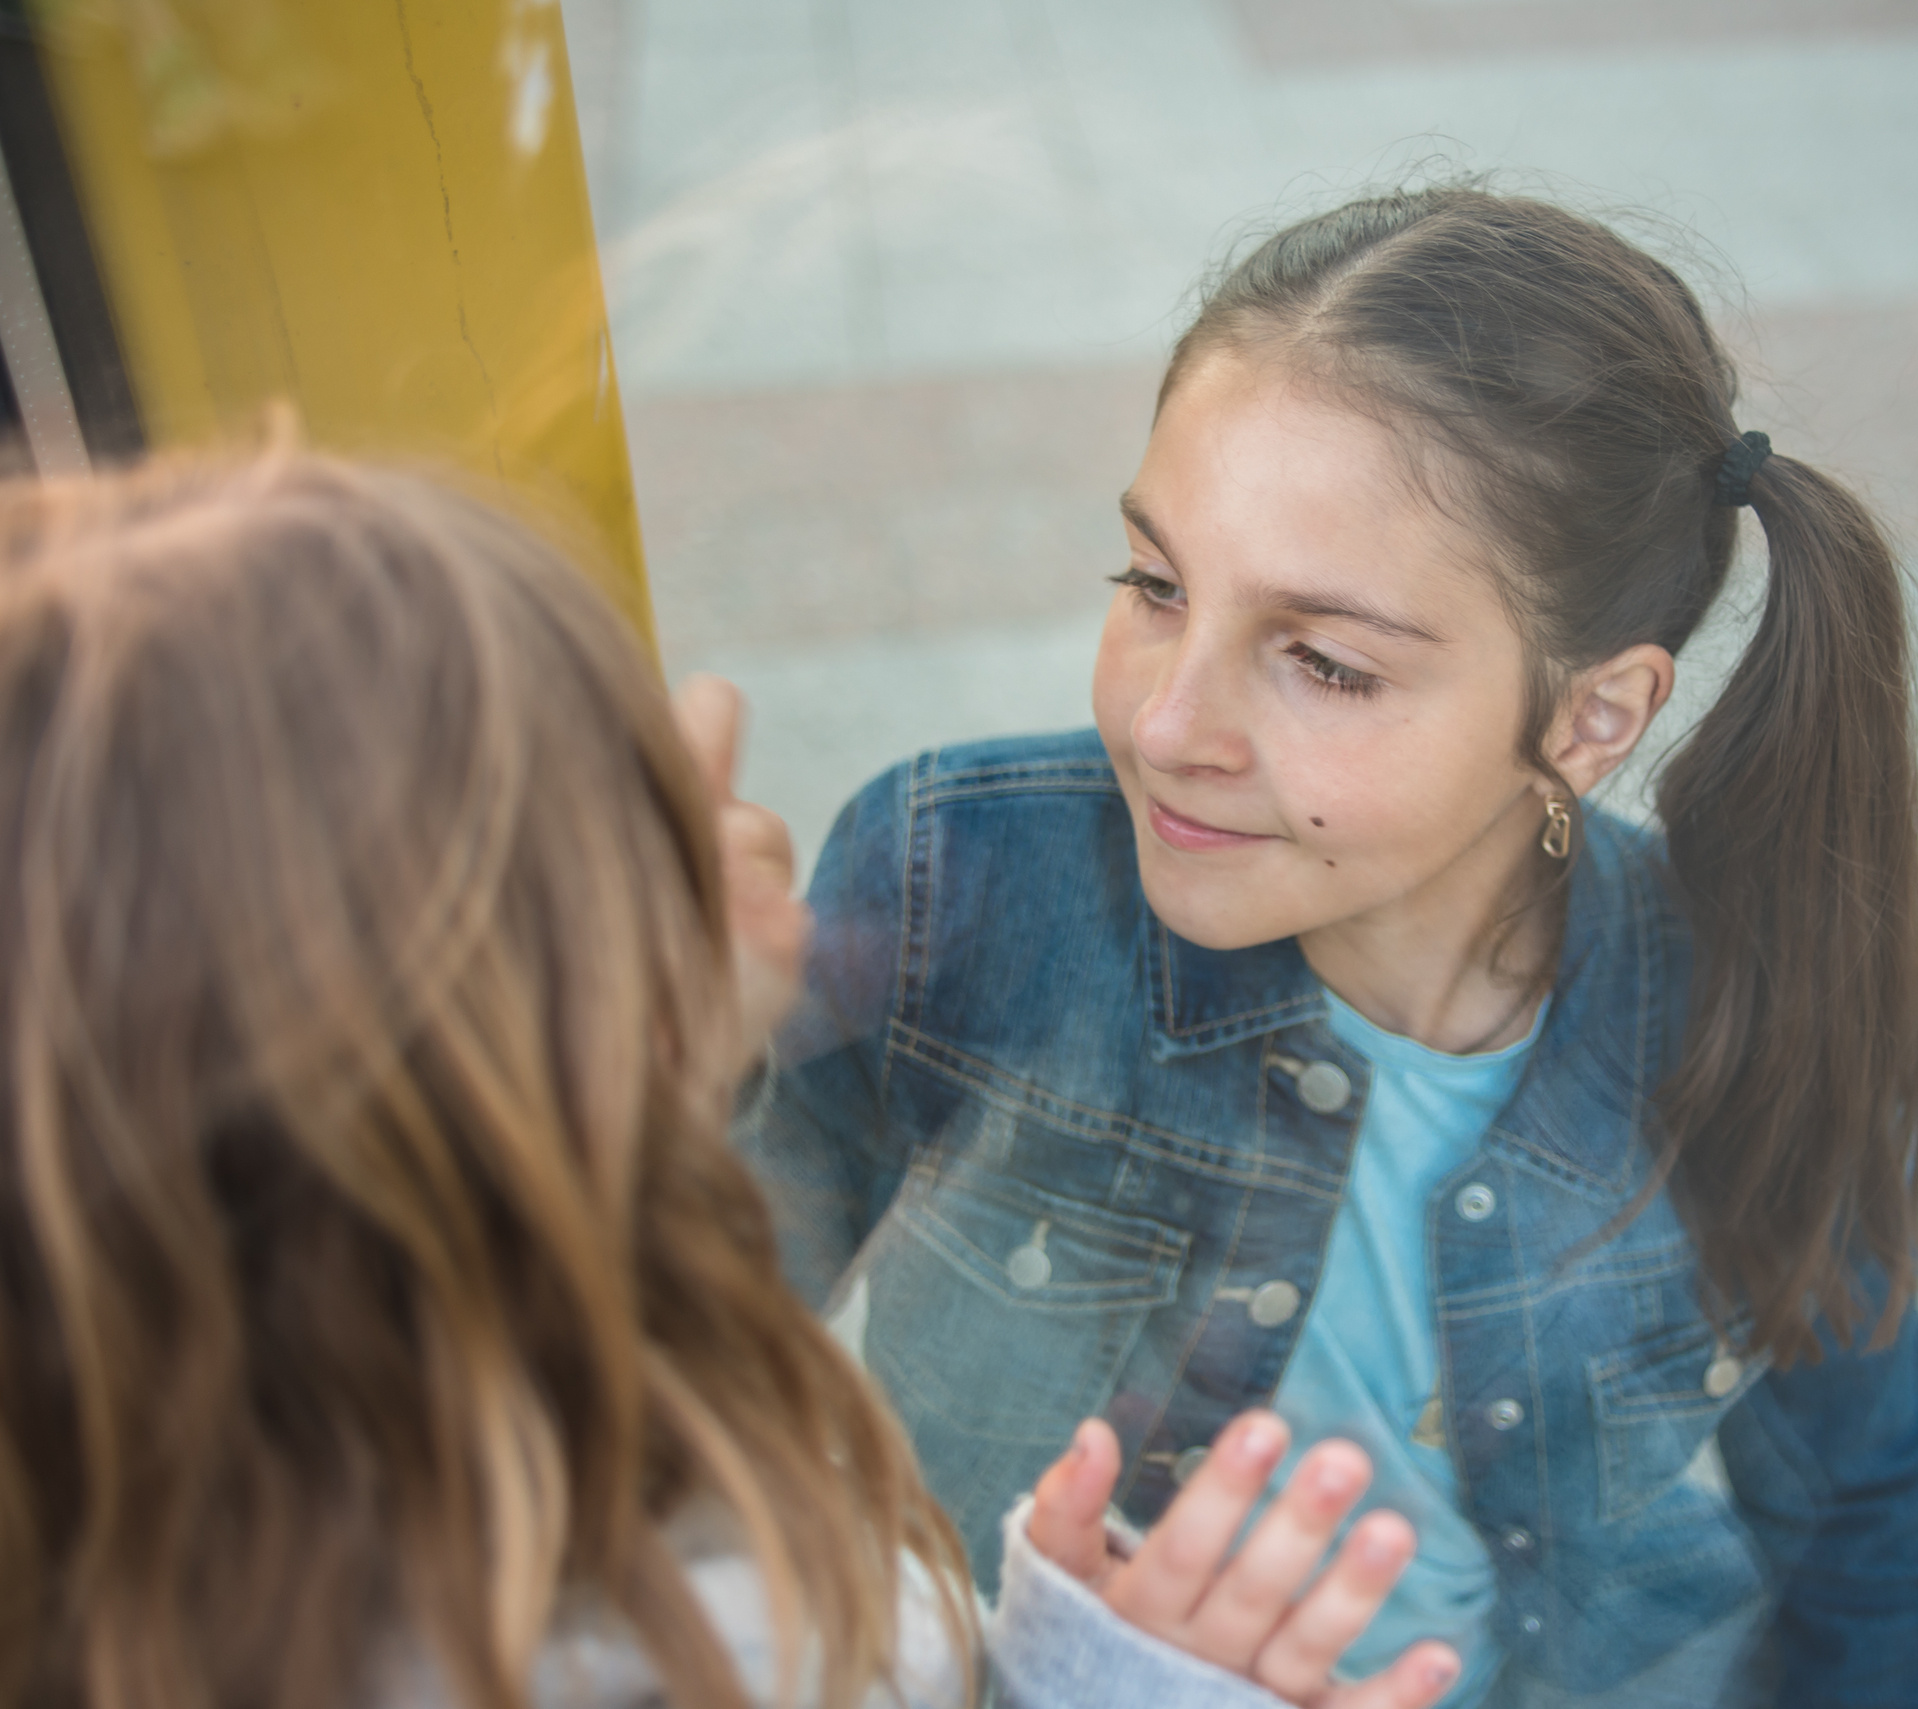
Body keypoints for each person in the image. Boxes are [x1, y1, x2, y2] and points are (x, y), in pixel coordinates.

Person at [733, 186, 1918, 1709]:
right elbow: (661, 1352)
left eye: (1324, 661)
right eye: (1154, 584)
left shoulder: (1741, 1014)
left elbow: (1870, 1518)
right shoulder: (958, 875)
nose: (1168, 726)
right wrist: (665, 1071)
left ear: (1591, 717)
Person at [0, 448, 1461, 1709]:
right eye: (628, 830)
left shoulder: (177, 1498)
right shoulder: (689, 1643)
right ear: (484, 1070)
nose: (735, 834)